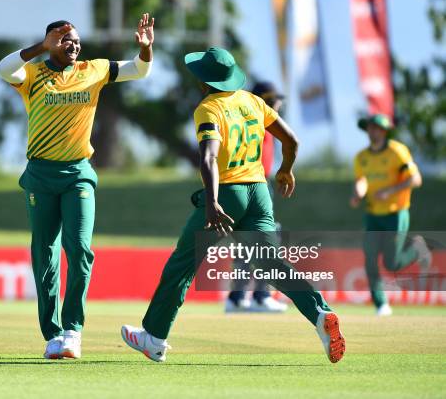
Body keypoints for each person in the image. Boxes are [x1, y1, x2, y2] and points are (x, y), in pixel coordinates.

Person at [120, 47, 345, 364]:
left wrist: (211, 202)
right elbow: (292, 141)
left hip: (227, 193)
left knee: (182, 265)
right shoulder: (254, 102)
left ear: (202, 82)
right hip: (259, 193)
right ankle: (321, 314)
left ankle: (154, 338)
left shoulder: (207, 109)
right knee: (273, 266)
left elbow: (209, 157)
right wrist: (285, 170)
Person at [0, 14, 155, 359]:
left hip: (78, 173)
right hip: (40, 174)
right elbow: (3, 69)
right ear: (51, 43)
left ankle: (72, 331)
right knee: (44, 254)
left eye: (77, 40)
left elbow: (138, 70)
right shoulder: (33, 74)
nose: (74, 45)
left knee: (80, 250)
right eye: (66, 40)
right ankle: (52, 335)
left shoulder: (93, 69)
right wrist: (40, 47)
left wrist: (145, 50)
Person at [350, 114, 431, 316]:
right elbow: (361, 181)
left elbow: (416, 179)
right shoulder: (361, 157)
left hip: (396, 214)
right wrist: (358, 193)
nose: (373, 131)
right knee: (369, 258)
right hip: (372, 215)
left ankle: (418, 249)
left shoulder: (397, 151)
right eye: (370, 127)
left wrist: (389, 191)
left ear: (384, 131)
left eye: (377, 128)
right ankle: (381, 305)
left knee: (391, 263)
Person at [225, 81, 287, 314]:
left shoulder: (261, 121)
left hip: (253, 183)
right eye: (273, 100)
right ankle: (261, 296)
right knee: (267, 239)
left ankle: (237, 297)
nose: (278, 104)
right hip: (253, 184)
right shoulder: (256, 120)